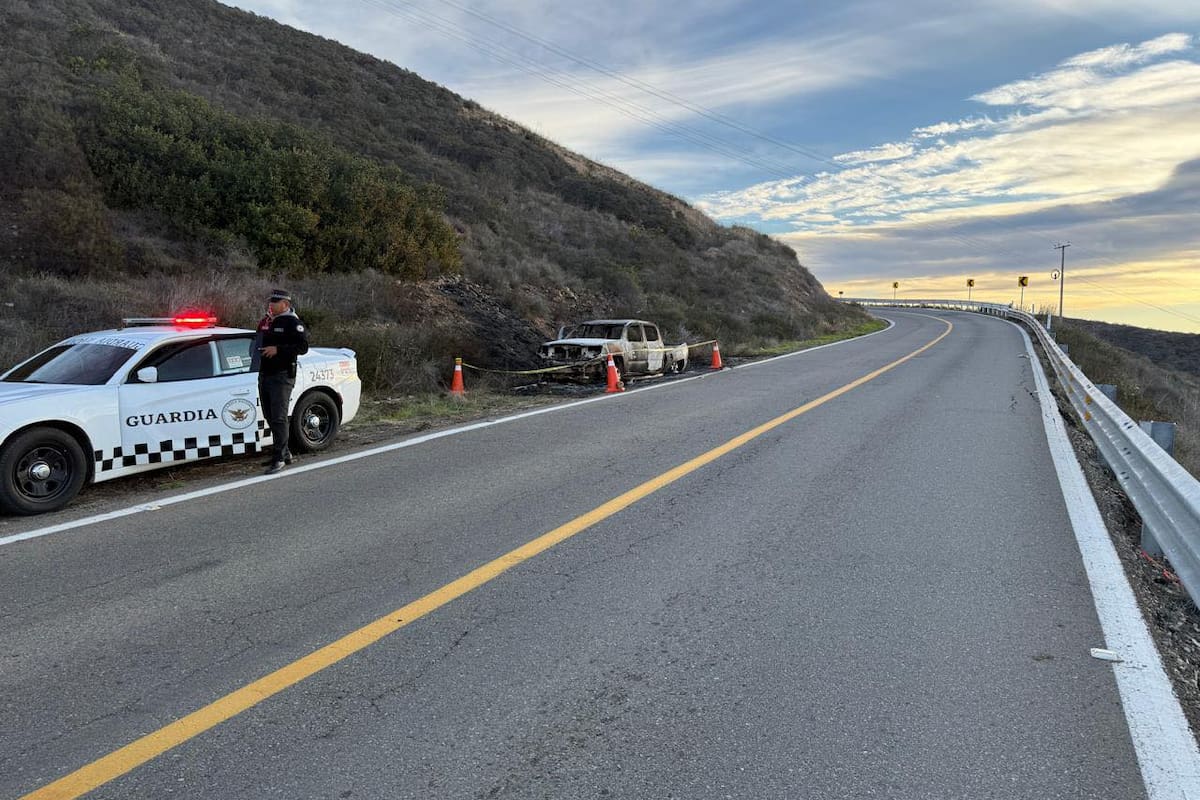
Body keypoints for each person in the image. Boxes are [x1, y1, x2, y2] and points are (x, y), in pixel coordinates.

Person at [254, 288, 309, 474]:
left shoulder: (292, 322)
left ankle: (279, 458)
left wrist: (278, 349)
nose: (271, 305)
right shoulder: (267, 321)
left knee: (279, 416)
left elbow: (302, 347)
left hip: (282, 375)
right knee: (269, 415)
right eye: (270, 302)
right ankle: (284, 453)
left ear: (285, 304)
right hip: (265, 373)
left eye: (275, 303)